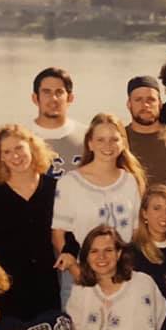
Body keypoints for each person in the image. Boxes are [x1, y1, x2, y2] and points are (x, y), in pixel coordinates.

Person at [52, 113, 146, 306]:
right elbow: (58, 233)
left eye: (114, 139)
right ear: (90, 143)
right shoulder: (70, 182)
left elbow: (136, 233)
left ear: (122, 143)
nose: (108, 145)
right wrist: (79, 273)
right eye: (100, 139)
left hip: (122, 278)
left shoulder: (130, 180)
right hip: (81, 277)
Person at [0, 125, 60, 320]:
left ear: (32, 147)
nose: (15, 156)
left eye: (19, 148)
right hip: (6, 294)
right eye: (7, 152)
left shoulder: (56, 190)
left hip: (51, 288)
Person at [125, 76, 166, 187]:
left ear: (160, 104)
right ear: (129, 104)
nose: (145, 105)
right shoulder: (118, 141)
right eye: (138, 100)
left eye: (151, 99)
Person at [30, 67, 86, 178]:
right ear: (35, 98)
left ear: (70, 98)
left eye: (59, 92)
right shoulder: (20, 138)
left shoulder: (89, 136)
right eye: (46, 92)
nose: (53, 98)